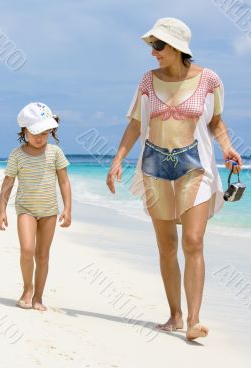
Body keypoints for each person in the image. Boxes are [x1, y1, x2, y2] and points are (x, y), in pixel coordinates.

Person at [106, 17, 242, 340]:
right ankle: (175, 315)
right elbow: (136, 124)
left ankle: (194, 320)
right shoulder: (147, 82)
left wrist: (227, 147)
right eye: (152, 45)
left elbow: (217, 122)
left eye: (158, 45)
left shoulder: (210, 81)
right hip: (154, 167)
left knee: (193, 241)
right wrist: (117, 160)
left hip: (195, 167)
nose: (153, 52)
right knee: (166, 245)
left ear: (178, 48)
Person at [0, 102, 72, 311]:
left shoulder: (55, 153)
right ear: (24, 130)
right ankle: (27, 289)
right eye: (35, 132)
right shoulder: (17, 155)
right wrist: (2, 210)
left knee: (43, 255)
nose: (39, 138)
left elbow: (64, 182)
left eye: (45, 133)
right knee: (27, 250)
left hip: (49, 211)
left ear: (51, 131)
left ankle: (38, 296)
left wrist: (67, 208)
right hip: (26, 210)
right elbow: (7, 184)